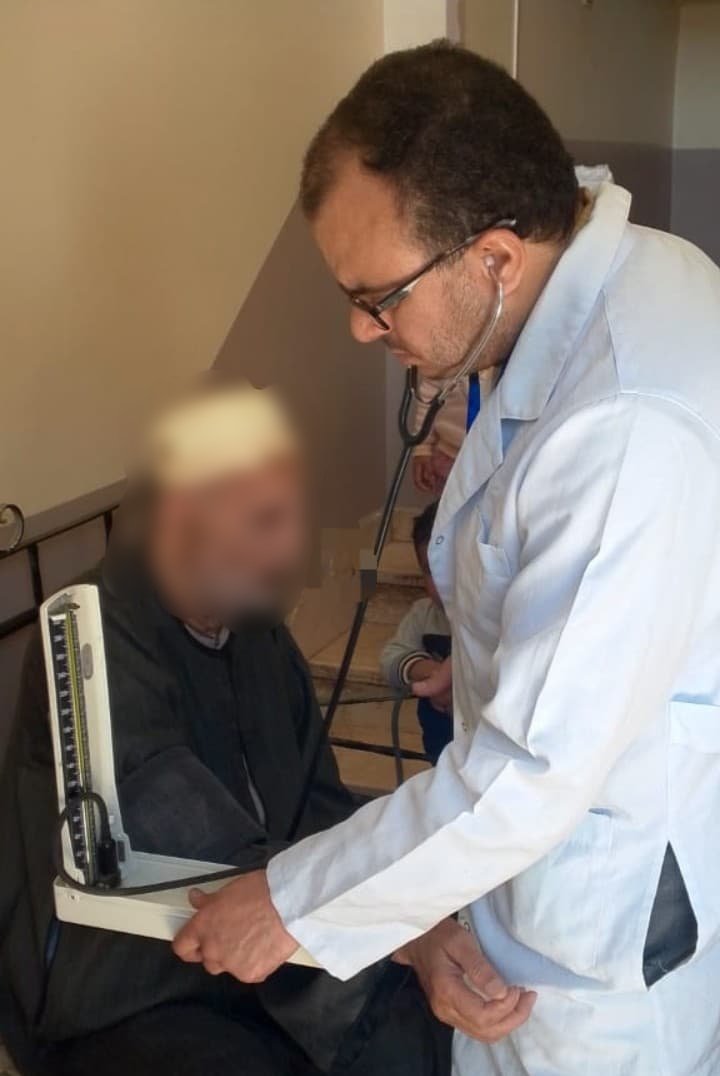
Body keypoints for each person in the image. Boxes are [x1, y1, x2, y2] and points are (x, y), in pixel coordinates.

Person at [173, 43, 720, 1076]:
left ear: (496, 258)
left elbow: (528, 775)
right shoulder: (629, 274)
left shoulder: (624, 423)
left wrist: (289, 904)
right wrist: (479, 659)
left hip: (597, 963)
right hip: (550, 872)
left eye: (378, 296)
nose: (358, 328)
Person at [0, 384, 450, 1076]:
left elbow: (319, 803)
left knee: (427, 1027)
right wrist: (376, 923)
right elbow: (184, 834)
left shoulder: (256, 631)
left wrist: (392, 899)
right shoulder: (96, 632)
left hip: (251, 942)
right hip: (124, 983)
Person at [379, 502, 452, 763]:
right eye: (431, 571)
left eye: (453, 566)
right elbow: (390, 658)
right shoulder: (424, 614)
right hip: (440, 742)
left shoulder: (498, 618)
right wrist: (430, 671)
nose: (443, 581)